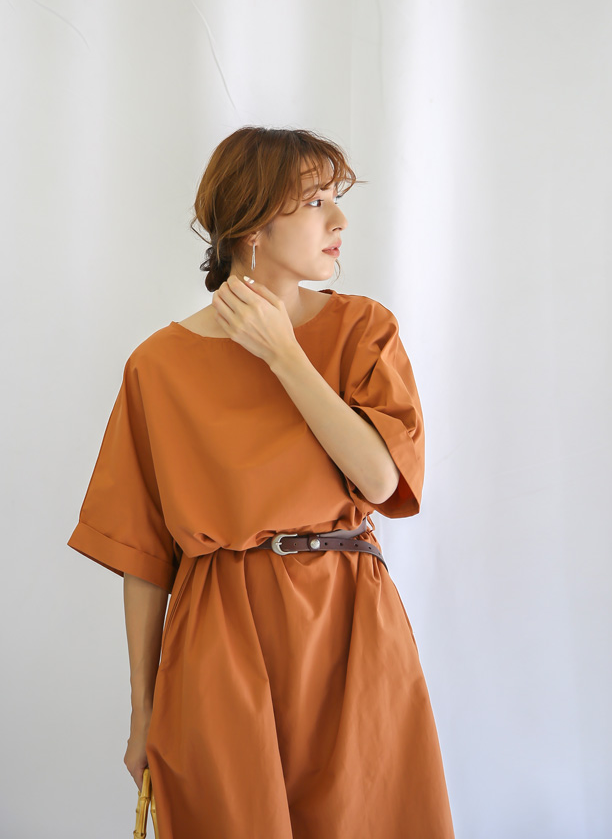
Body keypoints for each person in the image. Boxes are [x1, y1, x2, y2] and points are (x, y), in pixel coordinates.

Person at [67, 126, 455, 838]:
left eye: (336, 199)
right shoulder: (158, 366)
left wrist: (285, 356)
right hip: (220, 639)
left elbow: (379, 479)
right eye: (315, 202)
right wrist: (142, 712)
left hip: (348, 628)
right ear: (252, 223)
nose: (339, 220)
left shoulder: (363, 329)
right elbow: (145, 558)